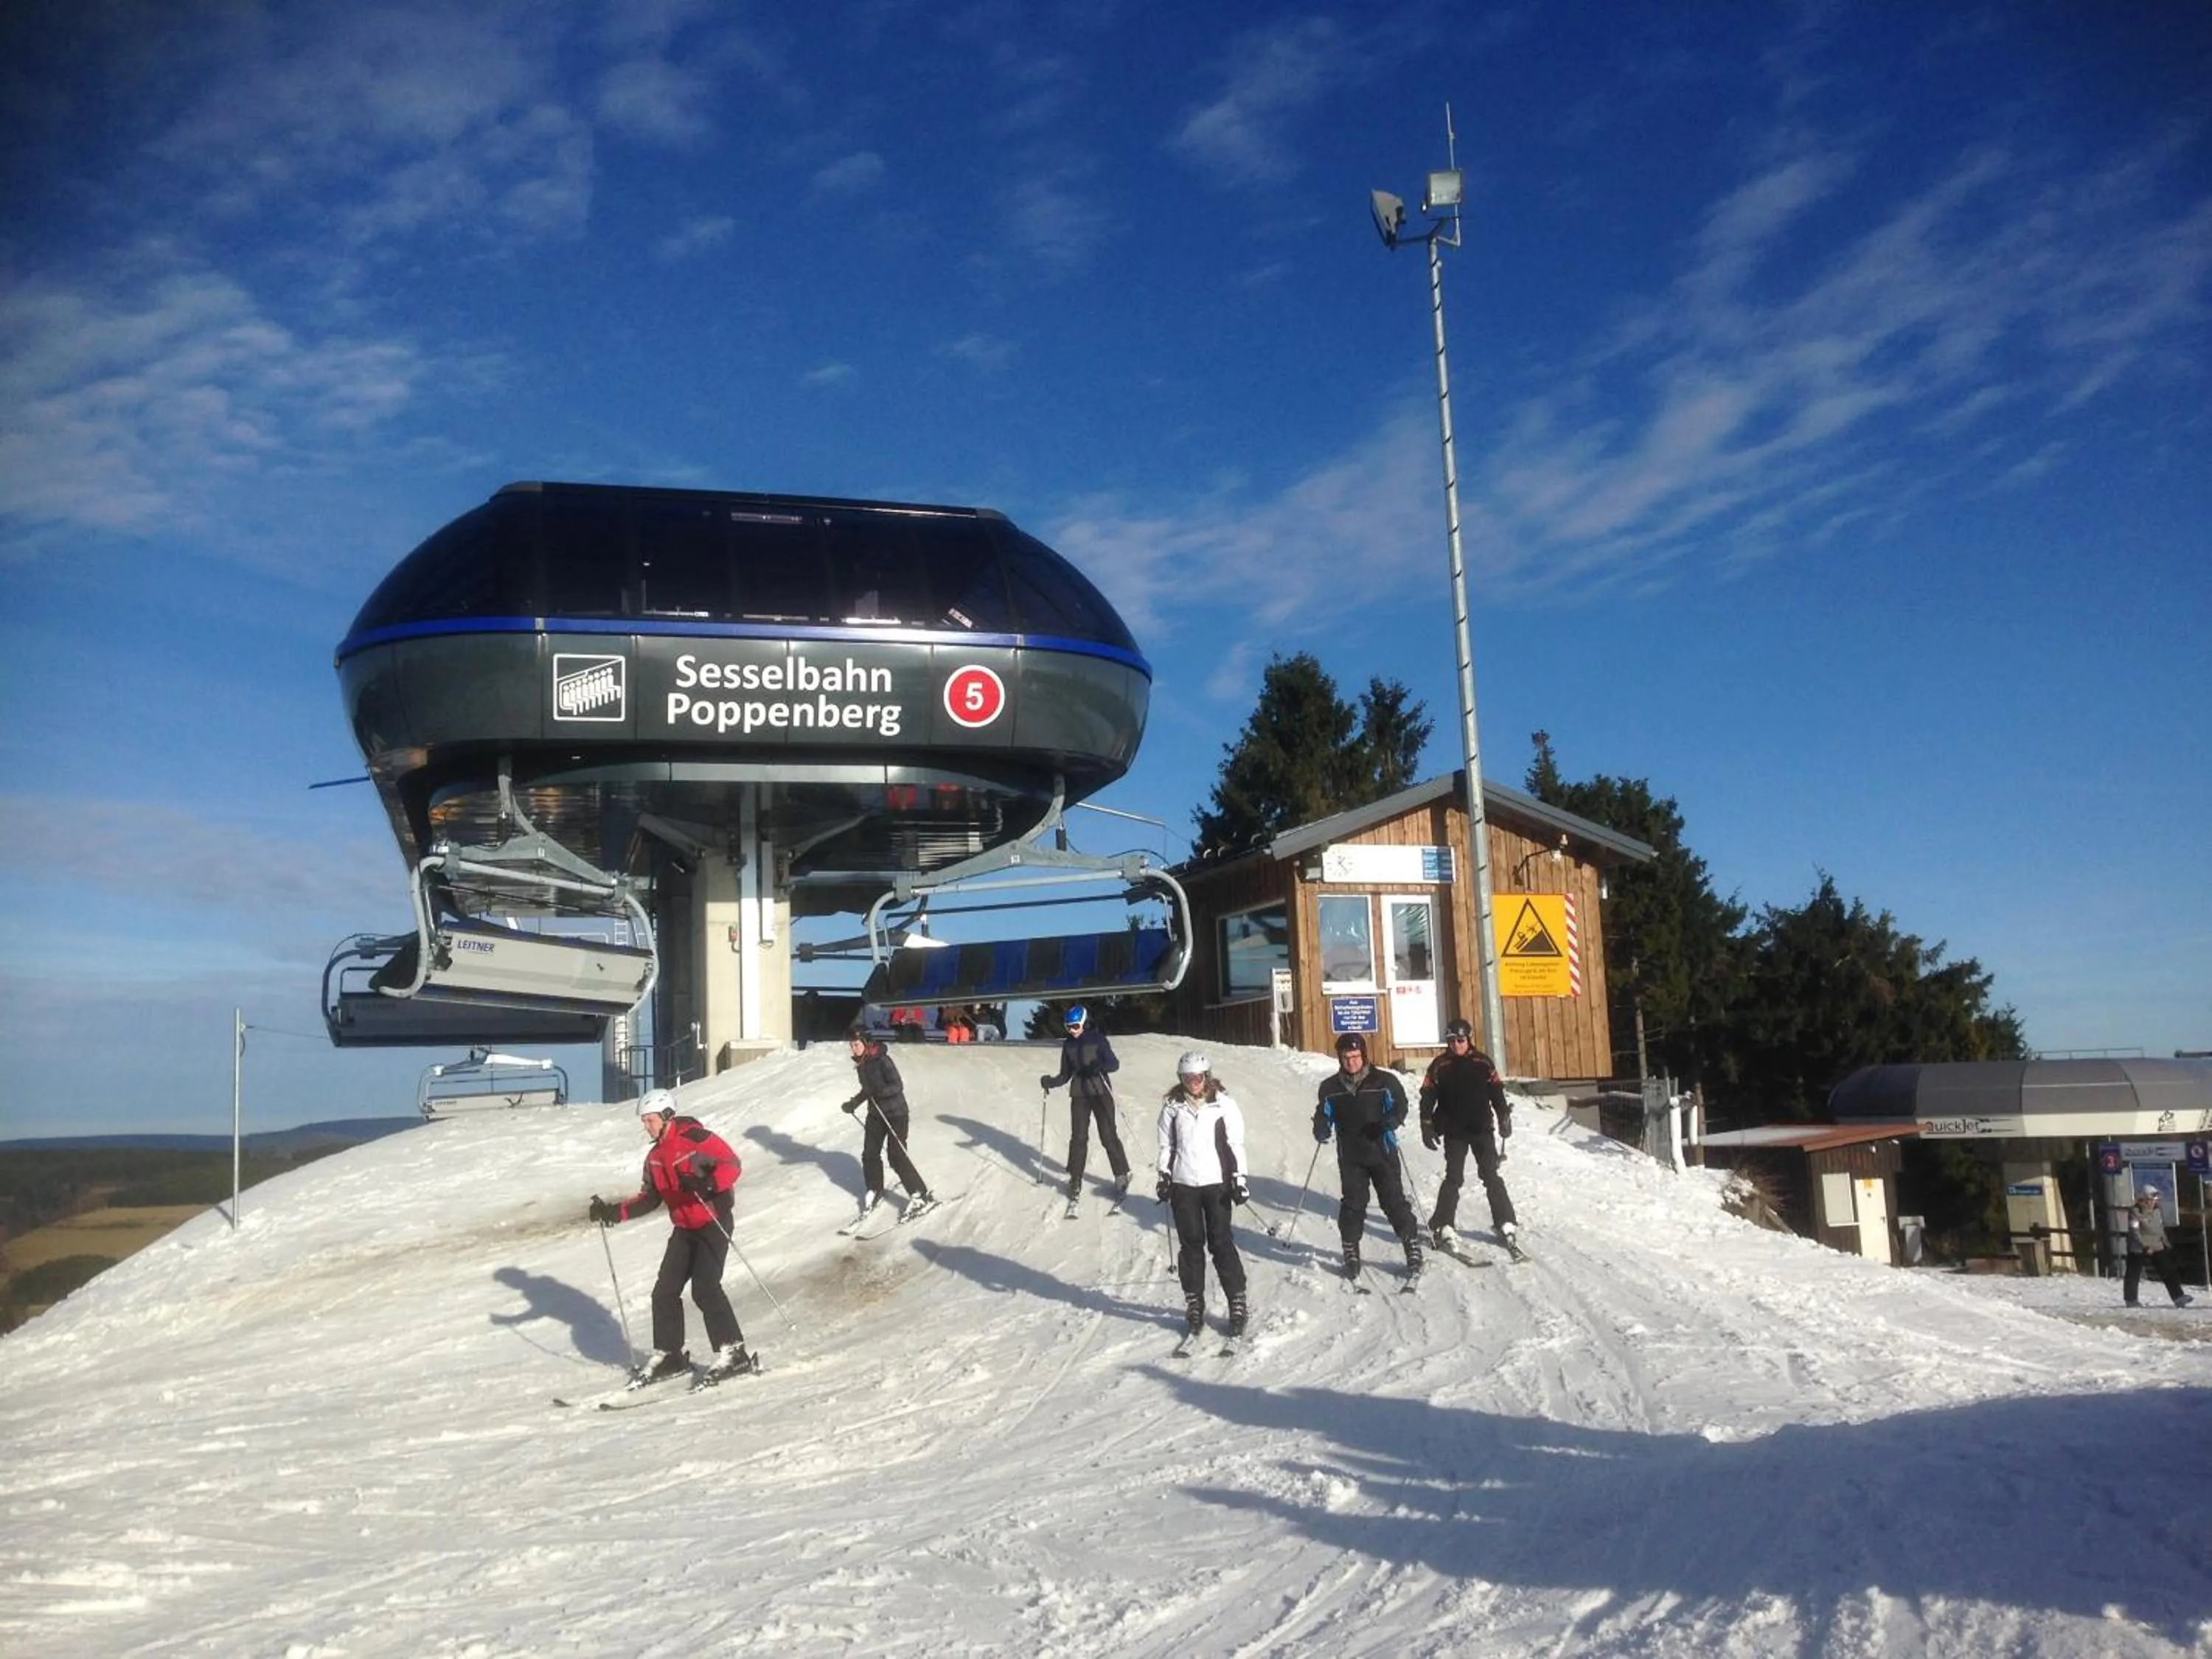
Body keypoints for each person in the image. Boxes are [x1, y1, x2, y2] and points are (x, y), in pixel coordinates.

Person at [588, 1089, 753, 1385]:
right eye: (644, 1121)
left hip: (713, 1220)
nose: (646, 1126)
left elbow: (732, 1164)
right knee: (664, 1292)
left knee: (705, 1288)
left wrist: (707, 1184)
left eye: (650, 1120)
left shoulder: (697, 1139)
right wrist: (613, 1212)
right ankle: (670, 1356)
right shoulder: (654, 1157)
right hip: (684, 1228)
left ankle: (734, 1353)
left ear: (666, 1117)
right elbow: (649, 1198)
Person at [1312, 1031, 1423, 1283]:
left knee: (1393, 1201)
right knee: (1353, 1203)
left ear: (1364, 1055)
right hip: (1351, 1155)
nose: (1351, 1062)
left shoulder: (1384, 1081)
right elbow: (1323, 1112)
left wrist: (1392, 1120)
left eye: (1355, 1056)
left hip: (1382, 1151)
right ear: (1340, 1058)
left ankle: (1411, 1245)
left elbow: (1400, 1104)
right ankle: (1351, 1249)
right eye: (1346, 1057)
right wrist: (1320, 1126)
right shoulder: (1330, 1088)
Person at [1157, 1051, 1251, 1341]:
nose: (1193, 1083)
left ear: (1207, 1077)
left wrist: (1239, 1178)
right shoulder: (1172, 1107)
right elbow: (1166, 1145)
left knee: (1221, 1242)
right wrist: (1164, 1176)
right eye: (1187, 1078)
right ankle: (1194, 1303)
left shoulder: (1224, 1105)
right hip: (1185, 1184)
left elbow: (1235, 1143)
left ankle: (1237, 1302)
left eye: (1198, 1077)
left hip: (1216, 1184)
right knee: (1191, 1245)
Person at [1419, 1017, 1519, 1255]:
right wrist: (1426, 1124)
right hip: (1454, 1131)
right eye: (1451, 1041)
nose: (1456, 1045)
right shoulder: (1439, 1065)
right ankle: (1443, 1223)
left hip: (1481, 1128)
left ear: (1469, 1039)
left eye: (1460, 1040)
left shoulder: (1483, 1063)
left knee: (1490, 1175)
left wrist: (1504, 1116)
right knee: (1454, 1177)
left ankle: (1505, 1221)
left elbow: (1497, 1092)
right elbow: (1427, 1096)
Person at [841, 1025, 940, 1225]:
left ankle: (921, 1196)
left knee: (896, 1156)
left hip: (896, 1114)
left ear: (866, 1043)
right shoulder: (861, 1064)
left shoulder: (883, 1060)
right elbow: (868, 1090)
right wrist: (854, 1102)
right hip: (876, 1115)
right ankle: (874, 1189)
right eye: (851, 1045)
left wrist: (880, 1092)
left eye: (856, 1044)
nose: (853, 1049)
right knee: (870, 1154)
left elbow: (897, 1085)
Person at [1039, 1003, 1131, 1202]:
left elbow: (1114, 1064)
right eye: (1068, 1027)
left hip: (1100, 1092)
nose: (1072, 1031)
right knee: (1078, 1137)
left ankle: (1121, 1174)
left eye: (1075, 1026)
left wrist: (1099, 1066)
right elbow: (1065, 1074)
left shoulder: (1097, 1039)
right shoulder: (1069, 1044)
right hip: (1080, 1094)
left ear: (1084, 1023)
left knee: (1108, 1135)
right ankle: (1075, 1178)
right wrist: (1051, 1082)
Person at [2124, 1186, 2194, 1309]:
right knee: (2133, 1273)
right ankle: (2131, 1299)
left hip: (2156, 1245)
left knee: (2167, 1270)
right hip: (2139, 1246)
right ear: (2143, 1200)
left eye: (2154, 1201)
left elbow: (2159, 1228)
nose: (2152, 1203)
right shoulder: (2135, 1212)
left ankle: (2178, 1297)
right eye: (2150, 1200)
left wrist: (2165, 1242)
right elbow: (2134, 1232)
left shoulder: (2157, 1211)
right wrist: (2145, 1247)